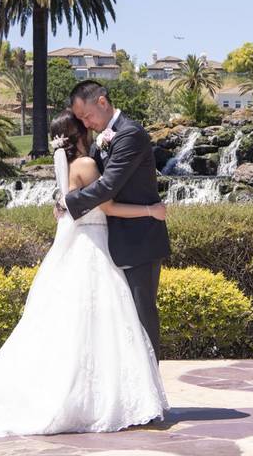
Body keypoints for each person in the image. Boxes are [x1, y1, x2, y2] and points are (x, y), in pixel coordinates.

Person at [0, 110, 169, 436]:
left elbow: (71, 204)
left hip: (84, 246)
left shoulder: (72, 166)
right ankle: (102, 400)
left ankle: (82, 395)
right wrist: (150, 211)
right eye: (84, 125)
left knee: (78, 326)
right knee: (105, 324)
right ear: (77, 134)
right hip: (95, 248)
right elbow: (108, 206)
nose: (91, 127)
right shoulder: (85, 165)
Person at [60, 80, 171, 359]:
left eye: (87, 116)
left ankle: (152, 393)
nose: (86, 124)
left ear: (102, 102)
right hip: (115, 242)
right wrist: (62, 194)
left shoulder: (130, 134)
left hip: (140, 241)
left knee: (142, 318)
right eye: (81, 119)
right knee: (124, 322)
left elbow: (108, 186)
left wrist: (69, 202)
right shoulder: (106, 136)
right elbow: (91, 177)